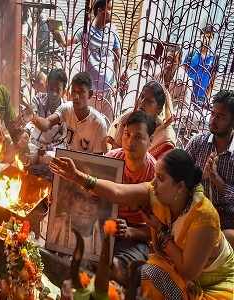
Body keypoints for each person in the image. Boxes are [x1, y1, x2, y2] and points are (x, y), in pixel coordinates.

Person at [50, 149, 234, 299]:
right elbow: (117, 191)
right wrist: (77, 176)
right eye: (155, 176)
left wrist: (161, 231)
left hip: (212, 286)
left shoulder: (204, 218)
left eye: (161, 178)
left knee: (151, 274)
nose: (153, 183)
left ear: (180, 186)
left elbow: (188, 272)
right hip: (171, 266)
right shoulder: (158, 192)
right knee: (144, 273)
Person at [105, 111, 156, 286]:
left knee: (118, 269)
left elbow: (160, 229)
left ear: (151, 140)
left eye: (138, 137)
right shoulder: (110, 161)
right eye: (127, 134)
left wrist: (130, 232)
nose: (130, 142)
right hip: (105, 226)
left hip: (135, 237)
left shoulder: (156, 176)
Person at [185, 90, 234, 247]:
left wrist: (218, 181)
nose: (213, 120)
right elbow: (179, 178)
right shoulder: (197, 142)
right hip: (195, 212)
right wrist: (202, 176)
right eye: (213, 113)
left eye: (220, 117)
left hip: (225, 221)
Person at [50, 0, 125, 97]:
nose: (112, 13)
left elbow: (117, 58)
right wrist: (55, 29)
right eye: (109, 9)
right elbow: (64, 43)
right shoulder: (85, 30)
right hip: (90, 89)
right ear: (99, 11)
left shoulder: (113, 30)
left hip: (108, 88)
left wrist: (116, 83)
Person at [32, 72, 108, 154]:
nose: (76, 97)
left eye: (81, 92)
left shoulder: (99, 124)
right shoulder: (67, 108)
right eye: (74, 91)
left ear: (90, 94)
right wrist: (32, 116)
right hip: (65, 160)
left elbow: (98, 159)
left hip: (85, 165)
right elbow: (47, 124)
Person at [107, 80, 176, 160]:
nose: (142, 102)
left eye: (149, 101)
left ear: (159, 109)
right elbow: (114, 158)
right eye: (142, 97)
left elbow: (159, 169)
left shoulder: (165, 138)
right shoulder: (126, 120)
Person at [47, 181, 109, 257]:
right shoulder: (51, 227)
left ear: (100, 207)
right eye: (80, 198)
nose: (86, 208)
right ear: (69, 201)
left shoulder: (106, 240)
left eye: (93, 201)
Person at [25, 69, 68, 156]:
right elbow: (31, 121)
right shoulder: (37, 100)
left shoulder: (66, 110)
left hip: (53, 150)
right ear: (47, 86)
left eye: (58, 90)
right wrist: (26, 132)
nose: (54, 93)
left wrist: (48, 148)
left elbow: (64, 139)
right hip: (34, 145)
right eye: (51, 89)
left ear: (64, 91)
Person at [184, 24, 219, 108]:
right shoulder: (192, 53)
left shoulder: (214, 57)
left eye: (210, 37)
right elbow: (183, 71)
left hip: (201, 96)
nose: (207, 39)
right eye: (205, 36)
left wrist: (207, 96)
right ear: (200, 37)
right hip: (187, 92)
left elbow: (213, 78)